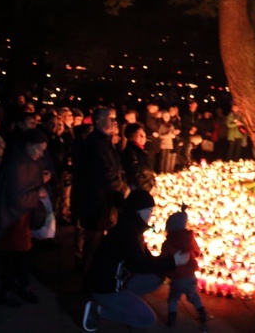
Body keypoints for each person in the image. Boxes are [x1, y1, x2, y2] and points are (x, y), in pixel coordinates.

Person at [82, 190, 190, 331]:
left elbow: (147, 259)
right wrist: (173, 261)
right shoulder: (127, 231)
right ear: (140, 211)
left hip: (116, 282)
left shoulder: (133, 228)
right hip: (105, 287)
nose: (151, 215)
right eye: (150, 211)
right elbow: (139, 264)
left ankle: (124, 301)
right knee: (147, 319)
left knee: (155, 278)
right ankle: (100, 311)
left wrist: (170, 261)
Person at [0, 129, 51, 306]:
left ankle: (21, 286)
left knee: (20, 255)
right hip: (13, 218)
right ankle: (7, 291)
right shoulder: (17, 164)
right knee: (14, 256)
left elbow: (28, 183)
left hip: (22, 219)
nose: (41, 154)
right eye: (39, 149)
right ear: (29, 146)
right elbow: (17, 197)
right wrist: (37, 193)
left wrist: (41, 179)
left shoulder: (27, 161)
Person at [72, 107, 128, 273]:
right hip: (96, 199)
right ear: (98, 121)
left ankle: (93, 273)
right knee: (93, 239)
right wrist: (121, 186)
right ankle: (87, 276)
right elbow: (105, 171)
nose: (114, 122)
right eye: (110, 118)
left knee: (98, 238)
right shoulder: (95, 143)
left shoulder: (104, 141)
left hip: (103, 198)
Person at [160, 206, 208, 330]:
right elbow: (197, 252)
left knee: (173, 298)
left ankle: (172, 319)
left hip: (177, 277)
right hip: (190, 275)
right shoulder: (190, 240)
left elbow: (164, 259)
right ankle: (202, 313)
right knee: (193, 295)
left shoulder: (167, 243)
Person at [120, 123, 156, 191]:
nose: (143, 137)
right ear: (131, 137)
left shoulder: (141, 151)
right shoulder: (130, 152)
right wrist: (148, 188)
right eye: (139, 134)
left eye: (143, 133)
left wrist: (153, 183)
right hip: (139, 190)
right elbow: (135, 174)